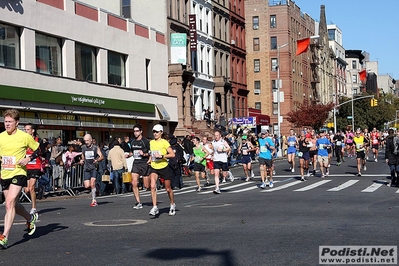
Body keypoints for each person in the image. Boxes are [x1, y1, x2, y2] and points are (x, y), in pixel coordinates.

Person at [0, 109, 39, 249]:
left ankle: (4, 237)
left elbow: (40, 150)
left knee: (9, 203)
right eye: (5, 122)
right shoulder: (1, 137)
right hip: (5, 174)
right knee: (13, 205)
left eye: (10, 122)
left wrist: (28, 158)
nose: (7, 124)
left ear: (17, 123)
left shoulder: (24, 136)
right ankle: (30, 219)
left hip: (19, 173)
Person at [148, 124, 176, 216]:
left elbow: (172, 154)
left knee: (168, 189)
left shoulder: (165, 142)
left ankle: (172, 204)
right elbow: (152, 154)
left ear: (161, 132)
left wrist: (162, 156)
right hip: (154, 166)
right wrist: (150, 159)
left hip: (164, 166)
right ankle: (155, 206)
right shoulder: (151, 142)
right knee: (152, 186)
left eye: (157, 132)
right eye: (154, 132)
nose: (155, 134)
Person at [130, 124, 151, 209]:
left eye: (137, 131)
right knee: (134, 182)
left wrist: (145, 154)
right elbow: (132, 152)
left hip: (144, 163)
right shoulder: (132, 141)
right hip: (136, 163)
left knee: (147, 186)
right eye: (134, 131)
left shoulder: (145, 141)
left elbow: (151, 153)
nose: (135, 133)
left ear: (141, 131)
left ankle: (152, 188)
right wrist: (128, 155)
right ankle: (138, 202)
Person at [80, 134, 103, 207]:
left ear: (91, 140)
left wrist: (97, 160)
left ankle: (94, 200)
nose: (86, 142)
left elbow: (101, 156)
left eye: (87, 140)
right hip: (86, 168)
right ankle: (97, 187)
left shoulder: (95, 147)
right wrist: (82, 160)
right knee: (87, 186)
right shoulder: (83, 148)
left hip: (94, 168)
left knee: (92, 183)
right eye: (85, 141)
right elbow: (83, 155)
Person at [24, 123, 42, 215]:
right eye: (25, 129)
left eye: (27, 129)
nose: (26, 131)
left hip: (35, 166)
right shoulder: (23, 141)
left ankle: (34, 208)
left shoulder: (38, 140)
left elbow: (40, 151)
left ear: (32, 130)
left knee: (31, 188)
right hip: (26, 166)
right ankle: (40, 189)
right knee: (26, 190)